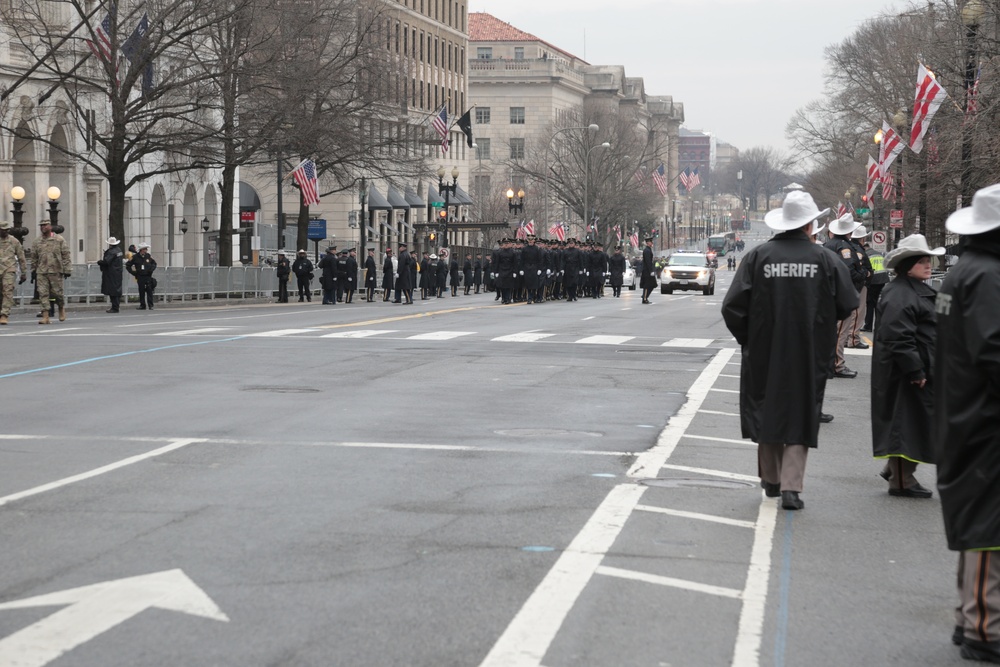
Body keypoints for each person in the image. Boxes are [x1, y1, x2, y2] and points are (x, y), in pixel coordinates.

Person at [721, 191, 857, 510]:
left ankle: (771, 479)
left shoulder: (758, 257)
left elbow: (732, 307)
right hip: (810, 350)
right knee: (801, 412)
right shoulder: (826, 259)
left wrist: (750, 338)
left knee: (767, 409)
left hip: (764, 350)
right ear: (810, 225)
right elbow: (848, 303)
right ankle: (791, 488)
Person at [934, 183, 1000, 662]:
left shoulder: (962, 274)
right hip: (985, 414)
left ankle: (969, 616)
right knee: (988, 523)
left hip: (963, 406)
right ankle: (984, 626)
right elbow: (992, 349)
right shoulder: (989, 277)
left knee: (981, 519)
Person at [871, 234, 943, 498]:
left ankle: (897, 470)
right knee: (906, 424)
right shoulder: (901, 293)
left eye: (929, 260)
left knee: (916, 423)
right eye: (922, 260)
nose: (929, 265)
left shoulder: (916, 289)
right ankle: (902, 480)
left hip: (921, 367)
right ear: (908, 264)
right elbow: (898, 336)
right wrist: (914, 369)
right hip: (906, 372)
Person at [824, 213, 867, 378]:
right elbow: (848, 270)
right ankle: (837, 365)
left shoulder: (828, 245)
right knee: (841, 331)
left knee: (833, 331)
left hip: (829, 292)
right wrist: (863, 274)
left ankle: (831, 363)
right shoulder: (844, 247)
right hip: (841, 293)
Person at [30, 219, 71, 324]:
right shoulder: (37, 241)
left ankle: (61, 308)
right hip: (42, 271)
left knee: (57, 294)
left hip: (56, 271)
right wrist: (33, 270)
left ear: (50, 226)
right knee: (43, 294)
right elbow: (34, 257)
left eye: (45, 225)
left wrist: (67, 269)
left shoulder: (59, 239)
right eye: (41, 226)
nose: (43, 227)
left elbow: (65, 255)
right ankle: (45, 315)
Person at [847, 224, 874, 348]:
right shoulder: (858, 250)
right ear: (862, 238)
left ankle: (849, 338)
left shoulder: (848, 247)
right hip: (858, 285)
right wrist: (866, 274)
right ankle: (853, 339)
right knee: (858, 313)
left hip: (850, 285)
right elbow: (861, 268)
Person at [0, 220, 27, 325]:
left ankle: (4, 314)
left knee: (7, 291)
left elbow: (21, 257)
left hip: (9, 269)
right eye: (2, 230)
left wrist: (23, 272)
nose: (4, 232)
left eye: (6, 230)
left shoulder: (14, 241)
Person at [861, 243, 888, 332]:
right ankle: (879, 325)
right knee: (877, 303)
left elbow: (866, 269)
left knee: (870, 303)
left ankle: (868, 326)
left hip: (873, 281)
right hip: (882, 279)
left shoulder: (866, 255)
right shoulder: (878, 253)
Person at [126, 243, 157, 309]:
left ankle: (150, 305)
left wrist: (151, 269)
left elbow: (154, 263)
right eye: (145, 249)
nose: (146, 250)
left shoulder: (148, 256)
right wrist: (133, 272)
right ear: (141, 250)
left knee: (149, 290)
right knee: (141, 291)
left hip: (148, 276)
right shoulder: (135, 257)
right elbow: (128, 265)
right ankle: (142, 305)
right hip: (140, 276)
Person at [98, 236, 124, 313]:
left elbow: (106, 262)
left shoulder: (111, 252)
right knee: (117, 289)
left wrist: (100, 262)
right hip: (117, 273)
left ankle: (115, 307)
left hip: (111, 273)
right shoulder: (119, 250)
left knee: (112, 290)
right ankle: (116, 306)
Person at [639, 236, 656, 304]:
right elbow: (648, 261)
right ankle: (644, 298)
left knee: (653, 284)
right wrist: (651, 271)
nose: (652, 243)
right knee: (647, 285)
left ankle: (644, 296)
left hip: (647, 270)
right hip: (647, 270)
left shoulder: (648, 250)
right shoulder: (647, 250)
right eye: (651, 242)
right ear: (648, 243)